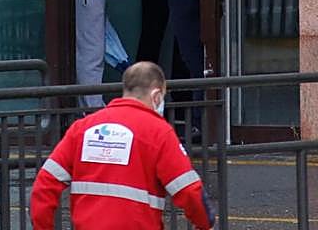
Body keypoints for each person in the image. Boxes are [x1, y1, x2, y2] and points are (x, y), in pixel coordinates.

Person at [30, 61, 213, 230]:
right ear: (156, 96)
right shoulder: (159, 133)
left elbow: (44, 185)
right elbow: (189, 191)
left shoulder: (83, 128)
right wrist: (206, 223)